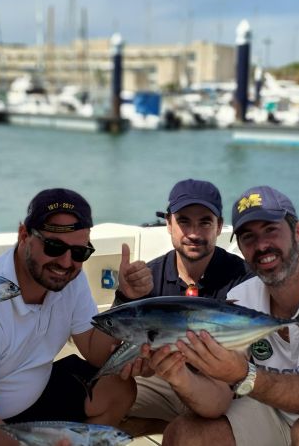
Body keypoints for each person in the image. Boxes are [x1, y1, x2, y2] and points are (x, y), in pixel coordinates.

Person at [0, 188, 137, 445]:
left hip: (29, 402)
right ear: (24, 235)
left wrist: (124, 296)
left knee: (117, 388)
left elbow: (95, 351)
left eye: (79, 252)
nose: (66, 262)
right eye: (54, 246)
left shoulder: (70, 278)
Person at [156, 186, 299, 446]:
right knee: (185, 434)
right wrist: (178, 376)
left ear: (298, 232)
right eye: (248, 237)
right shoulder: (240, 298)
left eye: (270, 230)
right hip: (271, 413)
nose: (261, 246)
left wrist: (245, 375)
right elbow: (217, 401)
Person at [113, 178, 252, 434]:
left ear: (219, 226)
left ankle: (177, 429)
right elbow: (117, 341)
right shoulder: (148, 278)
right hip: (163, 380)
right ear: (168, 224)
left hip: (222, 387)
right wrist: (123, 295)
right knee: (107, 401)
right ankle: (169, 427)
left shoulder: (244, 277)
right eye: (184, 221)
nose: (194, 234)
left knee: (199, 430)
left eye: (205, 222)